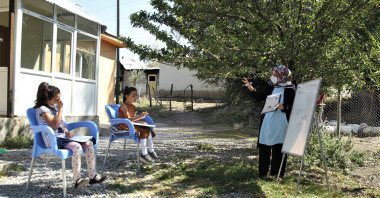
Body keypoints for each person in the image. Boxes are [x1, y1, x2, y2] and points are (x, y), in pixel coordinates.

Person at [34, 82, 107, 189]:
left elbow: (61, 124)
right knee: (77, 147)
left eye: (59, 98)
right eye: (56, 99)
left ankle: (93, 176)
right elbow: (54, 125)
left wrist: (67, 131)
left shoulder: (54, 108)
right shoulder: (43, 110)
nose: (59, 101)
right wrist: (60, 109)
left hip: (61, 138)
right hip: (52, 139)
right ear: (46, 99)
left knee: (89, 143)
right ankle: (77, 180)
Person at [243, 64, 296, 178]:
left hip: (281, 122)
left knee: (278, 148)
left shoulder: (290, 89)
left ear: (282, 75)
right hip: (267, 121)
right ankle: (262, 174)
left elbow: (296, 107)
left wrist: (284, 107)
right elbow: (259, 97)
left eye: (274, 74)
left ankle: (276, 174)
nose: (272, 76)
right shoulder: (271, 86)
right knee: (264, 147)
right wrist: (249, 87)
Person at [117, 86, 158, 164]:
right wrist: (140, 117)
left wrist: (141, 121)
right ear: (126, 96)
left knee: (148, 129)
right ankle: (144, 154)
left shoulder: (133, 106)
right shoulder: (124, 106)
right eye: (133, 95)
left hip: (131, 124)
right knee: (144, 130)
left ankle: (151, 150)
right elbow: (127, 120)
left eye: (136, 95)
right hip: (125, 125)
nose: (135, 97)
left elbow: (133, 118)